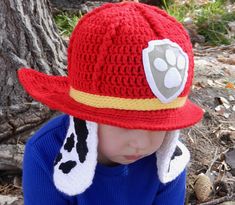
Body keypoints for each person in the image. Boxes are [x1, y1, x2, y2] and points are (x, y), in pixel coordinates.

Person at [18, 1, 204, 205]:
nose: (140, 144)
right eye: (124, 124)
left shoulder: (167, 159)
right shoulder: (45, 153)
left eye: (157, 126)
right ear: (86, 116)